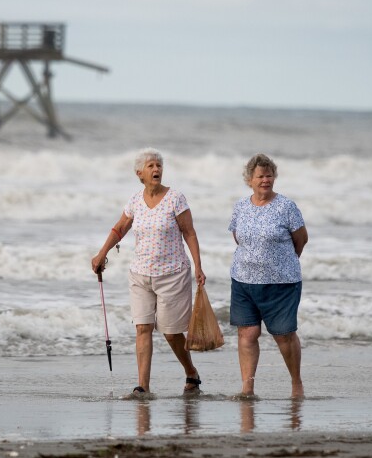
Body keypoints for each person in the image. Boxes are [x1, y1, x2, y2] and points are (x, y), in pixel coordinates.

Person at [91, 147, 207, 398]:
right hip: (140, 273)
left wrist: (198, 265)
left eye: (159, 165)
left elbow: (189, 233)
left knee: (171, 331)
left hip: (173, 273)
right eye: (151, 166)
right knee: (142, 328)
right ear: (139, 173)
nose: (156, 169)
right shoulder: (134, 200)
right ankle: (143, 386)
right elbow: (119, 228)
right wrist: (102, 253)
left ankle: (191, 372)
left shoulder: (176, 198)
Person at [228, 153, 308, 398]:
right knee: (247, 334)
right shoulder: (240, 206)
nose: (265, 180)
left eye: (269, 175)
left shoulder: (286, 206)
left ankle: (296, 384)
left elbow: (301, 239)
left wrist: (281, 263)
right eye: (260, 176)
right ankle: (247, 388)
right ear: (249, 179)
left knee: (284, 335)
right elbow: (237, 237)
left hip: (281, 282)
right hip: (243, 280)